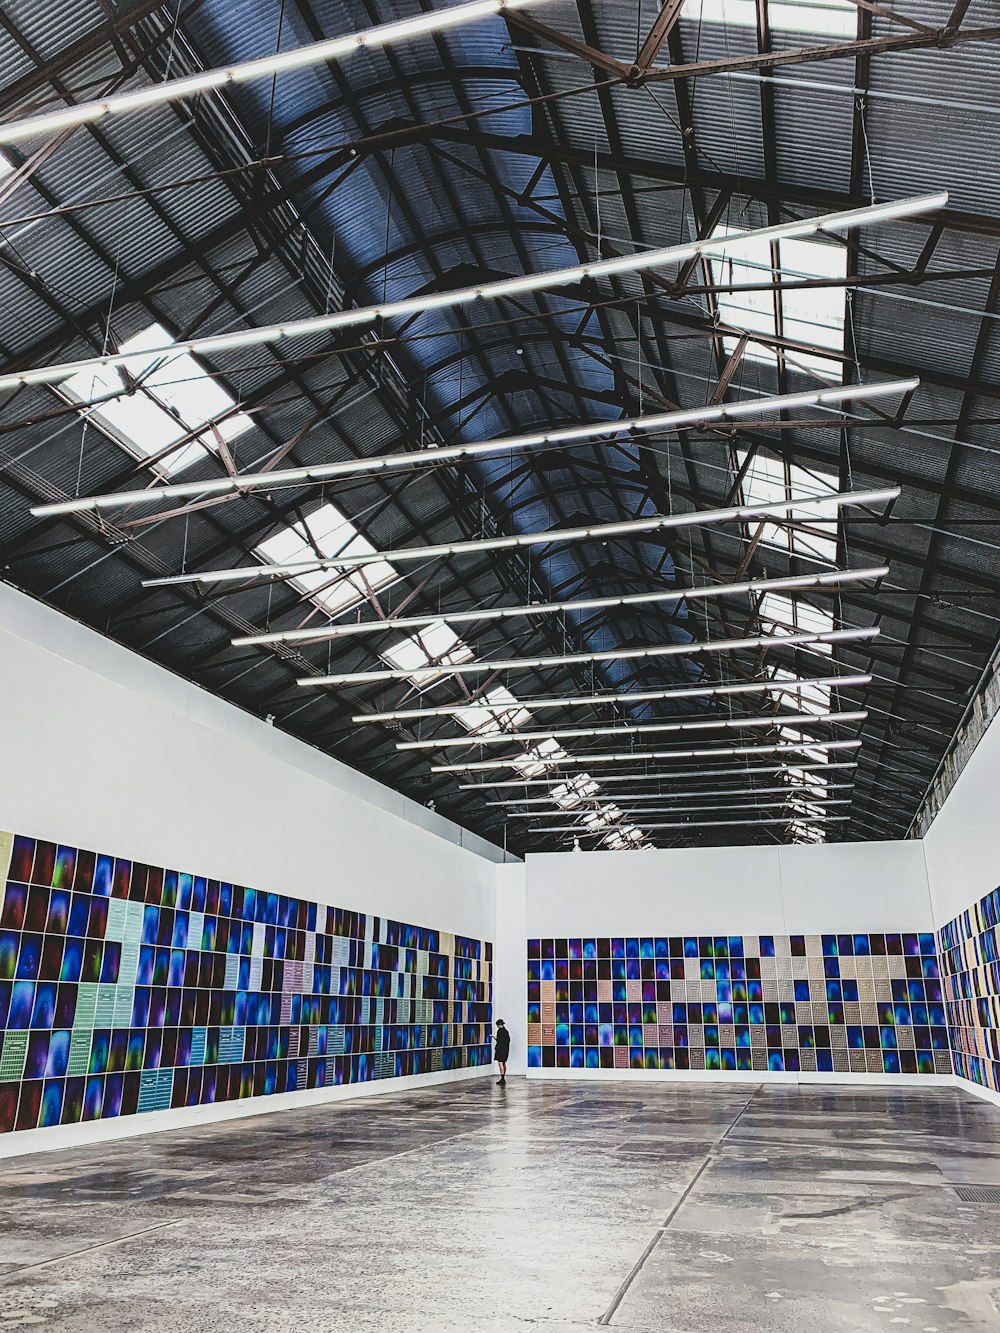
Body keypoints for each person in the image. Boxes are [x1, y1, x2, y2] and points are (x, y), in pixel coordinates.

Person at [494, 1018, 510, 1085]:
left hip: (500, 1050)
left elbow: (499, 1040)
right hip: (505, 1050)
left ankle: (502, 1078)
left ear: (498, 1025)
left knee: (500, 1063)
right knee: (503, 1063)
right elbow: (508, 1040)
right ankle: (503, 1077)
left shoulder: (499, 1031)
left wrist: (495, 1038)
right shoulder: (506, 1031)